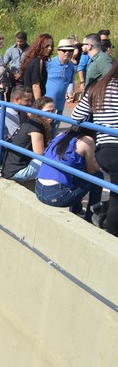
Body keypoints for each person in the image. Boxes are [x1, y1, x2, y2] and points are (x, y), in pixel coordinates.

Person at [72, 58, 118, 235]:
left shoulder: (98, 88)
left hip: (103, 149)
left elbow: (77, 115)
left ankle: (104, 208)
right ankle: (110, 227)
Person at [35, 126, 103, 223]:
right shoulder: (87, 140)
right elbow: (91, 170)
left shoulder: (62, 134)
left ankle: (77, 210)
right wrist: (103, 161)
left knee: (76, 171)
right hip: (57, 196)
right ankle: (91, 218)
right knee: (98, 176)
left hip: (39, 190)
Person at [2, 96, 55, 181]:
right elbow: (39, 154)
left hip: (10, 169)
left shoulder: (33, 122)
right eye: (48, 111)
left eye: (53, 111)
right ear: (39, 111)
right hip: (17, 172)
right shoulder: (36, 127)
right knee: (55, 162)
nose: (51, 115)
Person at [45, 39, 77, 137]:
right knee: (44, 128)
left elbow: (70, 81)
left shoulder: (71, 66)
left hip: (59, 104)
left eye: (70, 51)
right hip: (47, 104)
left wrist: (70, 93)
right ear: (58, 51)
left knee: (54, 129)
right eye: (64, 50)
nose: (67, 53)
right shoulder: (49, 63)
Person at [19, 33, 54, 101]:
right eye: (47, 46)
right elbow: (35, 86)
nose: (49, 48)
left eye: (51, 46)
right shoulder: (38, 61)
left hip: (26, 98)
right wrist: (38, 106)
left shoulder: (31, 59)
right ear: (40, 46)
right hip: (32, 100)